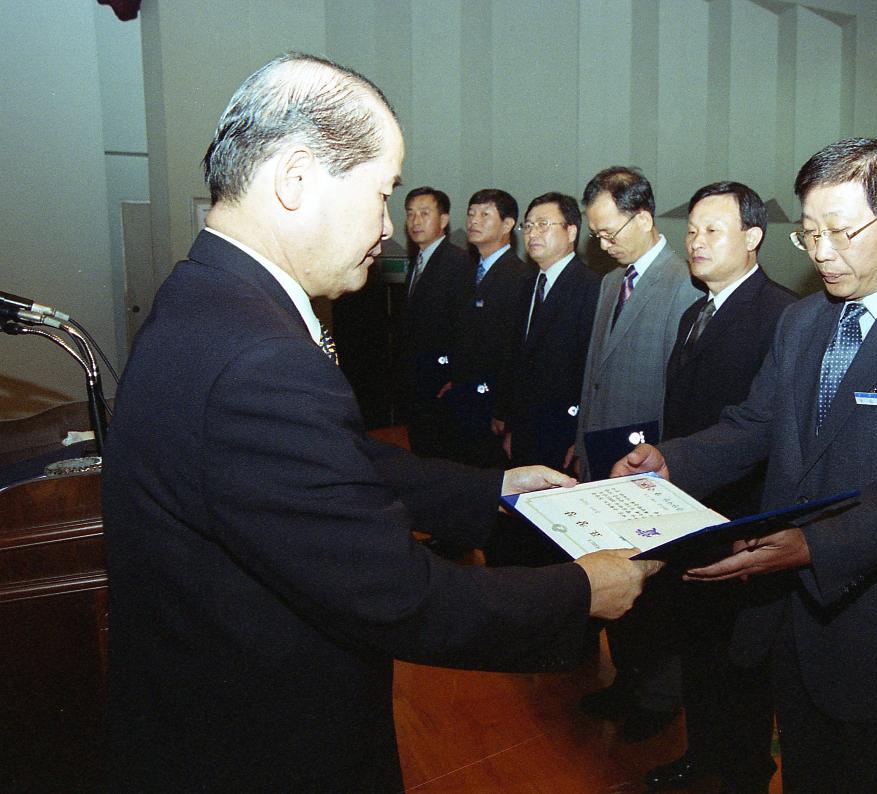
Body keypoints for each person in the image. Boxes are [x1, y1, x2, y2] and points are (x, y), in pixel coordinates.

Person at [99, 54, 659, 793]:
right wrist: (582, 591)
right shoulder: (257, 358)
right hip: (268, 745)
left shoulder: (208, 299)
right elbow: (399, 594)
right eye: (382, 193)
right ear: (297, 180)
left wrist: (494, 484)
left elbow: (332, 465)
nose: (390, 227)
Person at [613, 138, 877, 792]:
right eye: (809, 233)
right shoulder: (803, 324)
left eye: (840, 232)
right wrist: (670, 459)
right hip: (794, 627)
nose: (822, 252)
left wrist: (809, 545)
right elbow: (755, 424)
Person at [644, 181, 796, 792]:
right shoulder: (693, 311)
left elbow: (772, 435)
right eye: (693, 229)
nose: (696, 241)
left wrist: (755, 528)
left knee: (740, 663)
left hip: (741, 524)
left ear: (753, 238)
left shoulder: (783, 315)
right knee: (700, 653)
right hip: (689, 513)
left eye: (713, 230)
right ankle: (705, 758)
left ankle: (742, 771)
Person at [572, 166, 703, 739]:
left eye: (608, 232)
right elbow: (593, 376)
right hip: (601, 461)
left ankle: (658, 697)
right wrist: (579, 446)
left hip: (652, 468)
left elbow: (683, 390)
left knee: (654, 590)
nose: (602, 244)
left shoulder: (686, 283)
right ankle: (626, 680)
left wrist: (669, 459)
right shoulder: (609, 283)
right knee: (615, 581)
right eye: (595, 235)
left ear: (644, 218)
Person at [485, 192, 601, 569]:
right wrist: (509, 420)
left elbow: (590, 368)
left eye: (543, 225)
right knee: (525, 529)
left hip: (562, 432)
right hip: (527, 429)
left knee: (558, 538)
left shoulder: (591, 287)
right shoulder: (528, 283)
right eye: (529, 225)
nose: (532, 233)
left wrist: (578, 434)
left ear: (571, 231)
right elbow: (516, 359)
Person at [442, 188, 532, 467]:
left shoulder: (520, 277)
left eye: (484, 214)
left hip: (492, 407)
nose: (474, 221)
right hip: (464, 399)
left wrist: (504, 410)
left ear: (507, 225)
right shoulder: (468, 271)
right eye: (471, 214)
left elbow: (513, 352)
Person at [400, 186, 470, 457]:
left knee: (442, 457)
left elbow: (463, 326)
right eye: (410, 214)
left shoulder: (458, 262)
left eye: (424, 213)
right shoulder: (418, 261)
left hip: (442, 384)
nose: (415, 221)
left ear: (443, 220)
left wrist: (457, 375)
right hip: (417, 382)